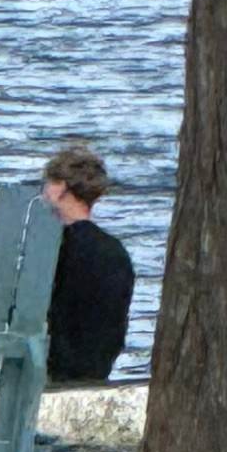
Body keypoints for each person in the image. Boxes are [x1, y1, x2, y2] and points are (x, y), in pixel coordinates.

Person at [41, 139, 136, 384]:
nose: (44, 192)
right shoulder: (116, 251)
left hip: (56, 370)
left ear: (61, 189)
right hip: (98, 369)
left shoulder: (55, 247)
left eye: (48, 184)